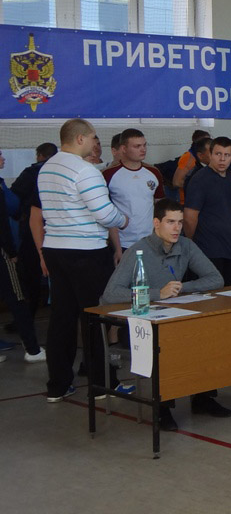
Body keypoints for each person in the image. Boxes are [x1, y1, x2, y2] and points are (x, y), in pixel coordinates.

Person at [101, 198, 226, 428]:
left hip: (173, 316)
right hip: (141, 324)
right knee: (169, 344)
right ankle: (163, 408)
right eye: (170, 222)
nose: (177, 228)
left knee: (207, 334)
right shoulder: (138, 251)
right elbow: (110, 294)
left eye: (180, 222)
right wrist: (158, 293)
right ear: (156, 223)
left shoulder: (186, 246)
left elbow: (215, 278)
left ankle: (203, 397)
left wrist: (180, 287)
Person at [39, 119, 129, 403]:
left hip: (55, 249)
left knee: (62, 318)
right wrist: (123, 219)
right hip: (86, 251)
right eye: (92, 137)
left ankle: (58, 384)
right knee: (95, 317)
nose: (94, 143)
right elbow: (104, 214)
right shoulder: (85, 171)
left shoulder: (47, 167)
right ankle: (102, 384)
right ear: (80, 139)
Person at [0, 150, 44, 362]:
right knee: (17, 297)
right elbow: (4, 222)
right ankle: (33, 349)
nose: (3, 158)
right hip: (3, 252)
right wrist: (11, 252)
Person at [184, 136, 231, 287]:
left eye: (227, 155)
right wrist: (191, 244)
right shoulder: (200, 179)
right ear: (210, 155)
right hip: (207, 249)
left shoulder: (230, 179)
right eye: (218, 154)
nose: (222, 159)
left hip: (229, 248)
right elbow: (189, 216)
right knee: (210, 295)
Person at [10, 142, 57, 327]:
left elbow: (13, 200)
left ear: (39, 155)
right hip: (58, 232)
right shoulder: (61, 171)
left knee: (30, 277)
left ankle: (26, 319)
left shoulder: (32, 173)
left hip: (32, 232)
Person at [103, 128, 165, 266]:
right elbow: (107, 213)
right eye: (137, 146)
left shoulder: (154, 173)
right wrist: (117, 248)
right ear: (124, 149)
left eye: (144, 145)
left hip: (150, 241)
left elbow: (161, 209)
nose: (143, 149)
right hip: (122, 242)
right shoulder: (108, 175)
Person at [171, 129, 211, 201]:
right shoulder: (188, 157)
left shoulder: (206, 160)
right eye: (206, 141)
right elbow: (176, 182)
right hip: (186, 200)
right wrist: (199, 187)